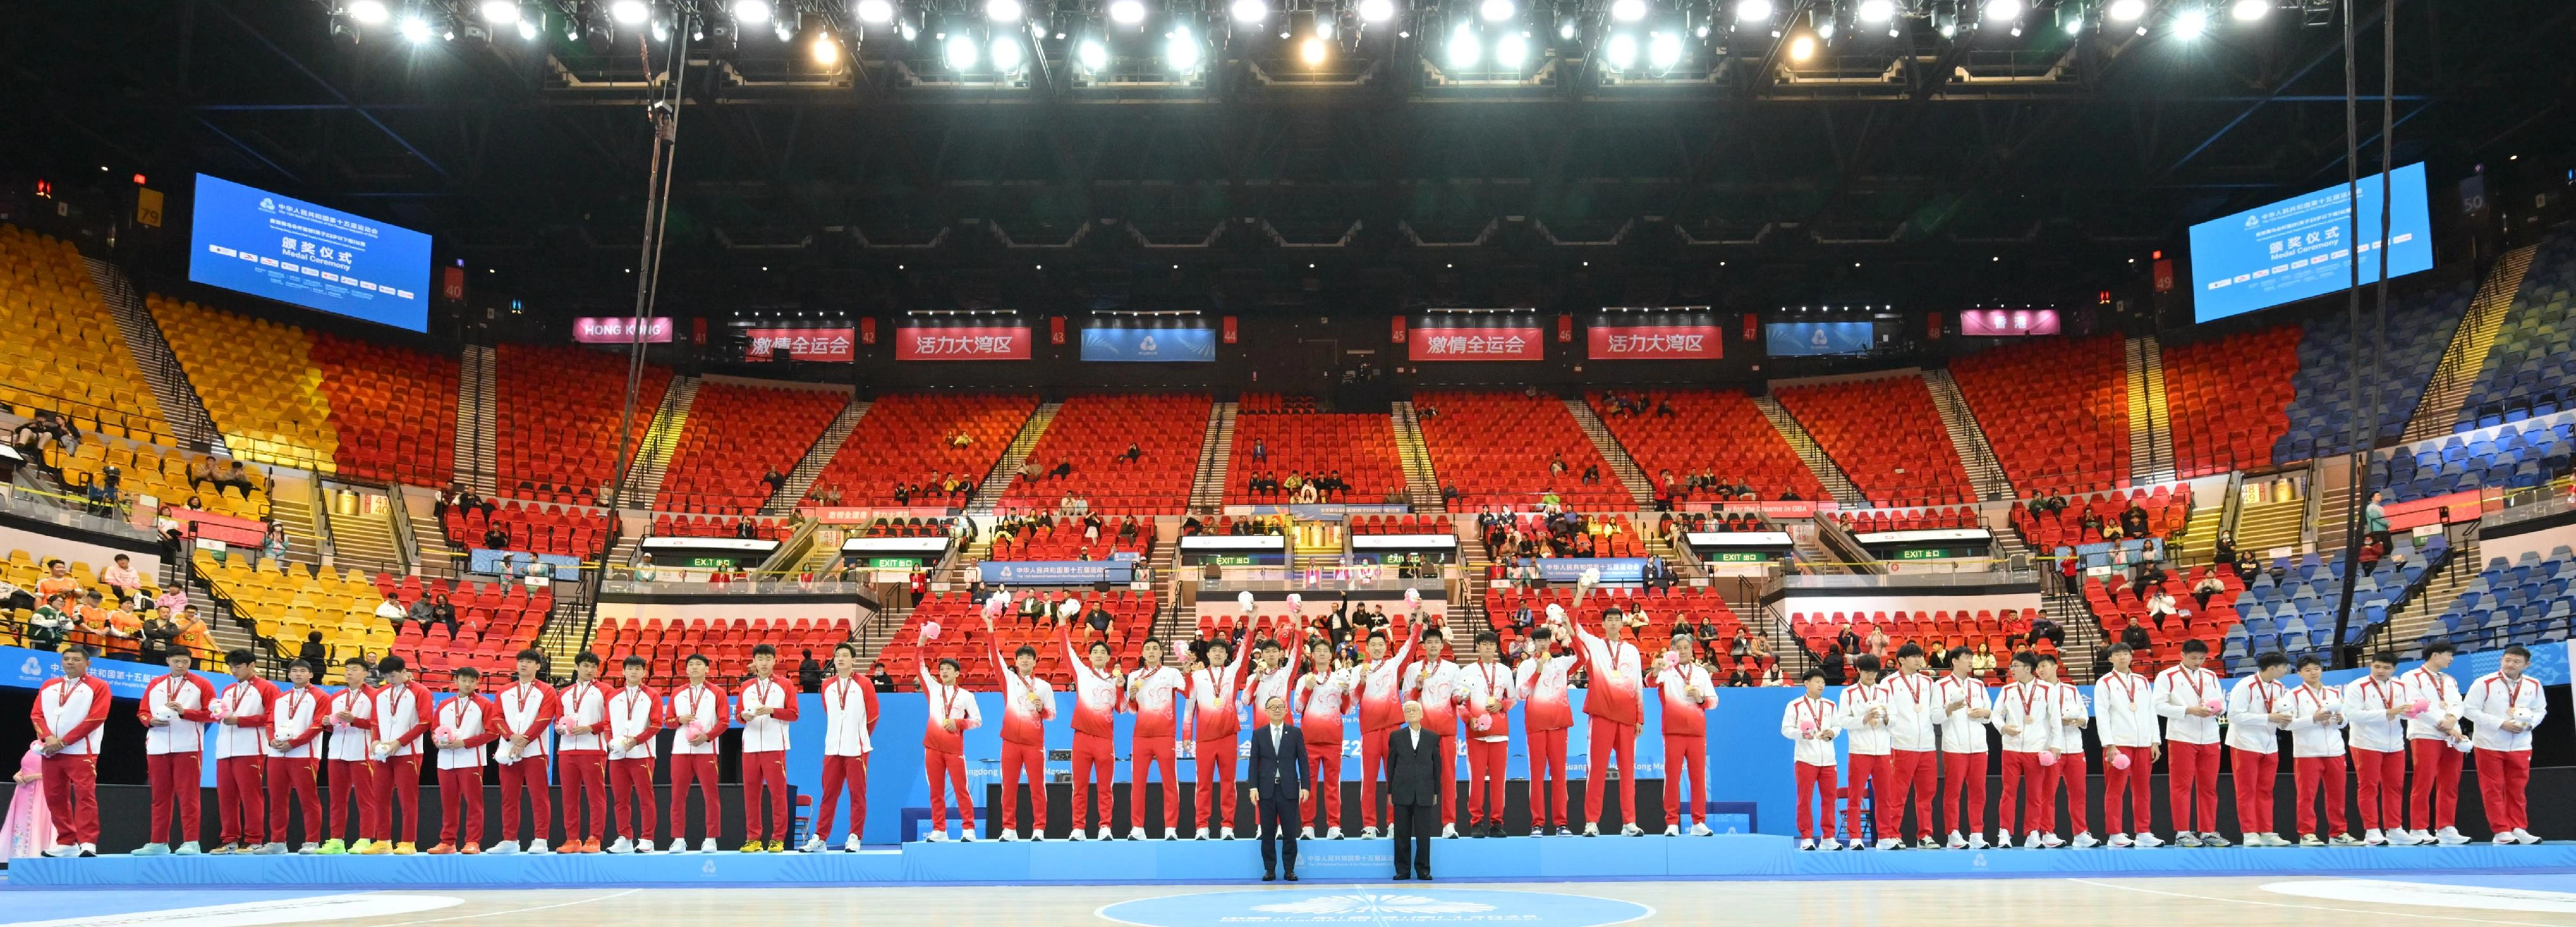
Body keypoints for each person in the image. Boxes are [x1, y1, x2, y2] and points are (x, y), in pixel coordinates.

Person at [1559, 599, 1645, 836]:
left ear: (1622, 623)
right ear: (1604, 624)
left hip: (1627, 719)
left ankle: (1629, 822)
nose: (1614, 623)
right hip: (1602, 716)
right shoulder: (1595, 645)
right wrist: (1581, 594)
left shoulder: (1632, 651)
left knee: (1628, 771)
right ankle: (1591, 822)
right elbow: (1574, 624)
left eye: (1617, 619)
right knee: (1596, 770)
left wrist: (1640, 717)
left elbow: (1638, 684)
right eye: (1609, 620)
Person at [133, 649, 216, 855]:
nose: (181, 666)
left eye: (186, 662)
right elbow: (142, 711)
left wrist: (185, 712)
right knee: (159, 797)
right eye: (177, 661)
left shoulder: (202, 684)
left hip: (188, 747)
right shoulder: (155, 684)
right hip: (157, 746)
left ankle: (191, 842)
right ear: (168, 660)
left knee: (188, 796)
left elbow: (212, 715)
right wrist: (150, 721)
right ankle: (158, 842)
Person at [30, 649, 111, 857]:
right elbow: (37, 715)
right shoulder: (49, 686)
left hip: (82, 751)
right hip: (51, 751)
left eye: (76, 659)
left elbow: (96, 718)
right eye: (66, 659)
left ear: (88, 664)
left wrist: (64, 742)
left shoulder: (98, 686)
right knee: (54, 797)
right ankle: (66, 841)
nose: (70, 663)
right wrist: (48, 738)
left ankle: (88, 842)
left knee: (85, 796)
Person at [2463, 644, 2546, 845]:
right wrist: (2501, 724)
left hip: (2521, 744)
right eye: (2507, 660)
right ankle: (2501, 831)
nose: (2510, 664)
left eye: (2516, 661)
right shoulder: (2485, 683)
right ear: (2501, 660)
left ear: (2527, 665)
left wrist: (2529, 725)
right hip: (2489, 744)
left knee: (2517, 789)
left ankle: (2518, 828)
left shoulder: (2534, 684)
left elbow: (2541, 709)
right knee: (2493, 788)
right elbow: (2469, 710)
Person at [981, 622, 1056, 842]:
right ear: (1016, 662)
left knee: (1037, 788)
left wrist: (1042, 708)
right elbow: (995, 657)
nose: (1025, 660)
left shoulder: (1044, 686)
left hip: (1034, 744)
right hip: (1011, 742)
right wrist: (990, 629)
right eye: (1021, 657)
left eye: (1029, 657)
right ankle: (1009, 829)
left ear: (1035, 662)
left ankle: (1039, 829)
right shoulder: (1009, 680)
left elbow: (1052, 715)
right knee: (1009, 787)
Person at [2152, 638, 2227, 846]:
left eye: (2202, 658)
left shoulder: (2211, 676)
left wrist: (2220, 709)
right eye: (2193, 658)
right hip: (2182, 736)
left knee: (2209, 787)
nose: (2198, 662)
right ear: (2182, 655)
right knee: (2181, 787)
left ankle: (2208, 831)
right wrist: (2188, 710)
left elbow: (2221, 702)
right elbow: (2158, 706)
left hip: (2210, 736)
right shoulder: (2167, 676)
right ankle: (2183, 833)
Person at [1352, 624, 1423, 839]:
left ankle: (1394, 823)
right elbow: (1353, 701)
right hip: (1370, 731)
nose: (1377, 648)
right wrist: (1362, 684)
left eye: (1380, 644)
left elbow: (1411, 646)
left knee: (1395, 779)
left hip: (1393, 730)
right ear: (1366, 648)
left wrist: (1418, 619)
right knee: (1370, 780)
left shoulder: (1393, 665)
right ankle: (1369, 825)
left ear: (1386, 646)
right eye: (1372, 644)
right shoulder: (1358, 670)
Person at [808, 643, 880, 852]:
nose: (840, 659)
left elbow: (873, 715)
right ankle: (821, 838)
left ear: (853, 660)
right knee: (828, 795)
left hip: (857, 750)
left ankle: (855, 837)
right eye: (837, 656)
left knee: (857, 795)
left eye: (845, 656)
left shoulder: (864, 684)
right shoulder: (827, 685)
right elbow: (830, 713)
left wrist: (859, 736)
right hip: (832, 749)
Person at [1054, 626, 1122, 842]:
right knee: (1080, 787)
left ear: (1109, 657)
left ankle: (1105, 827)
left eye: (1103, 652)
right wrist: (1062, 624)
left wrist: (1121, 687)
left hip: (1104, 740)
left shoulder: (1115, 679)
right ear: (1090, 656)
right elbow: (1066, 651)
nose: (1099, 655)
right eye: (1095, 652)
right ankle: (1078, 828)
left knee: (1105, 788)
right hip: (1082, 738)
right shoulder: (1081, 672)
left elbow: (1121, 708)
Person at [2282, 655, 2357, 846]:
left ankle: (2338, 833)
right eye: (2307, 670)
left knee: (2338, 795)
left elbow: (2346, 719)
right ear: (2299, 673)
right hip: (2308, 752)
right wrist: (2313, 719)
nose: (2313, 673)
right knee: (2307, 796)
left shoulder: (2333, 692)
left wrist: (2341, 720)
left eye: (2316, 669)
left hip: (2335, 750)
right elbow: (2286, 725)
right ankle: (2307, 833)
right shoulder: (2294, 695)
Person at [1185, 634, 1255, 839]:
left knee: (1228, 783)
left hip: (1228, 736)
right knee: (1203, 784)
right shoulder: (1197, 677)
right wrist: (1187, 734)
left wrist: (1251, 623)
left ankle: (1227, 826)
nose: (1217, 653)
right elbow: (1189, 707)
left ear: (1226, 655)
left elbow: (1245, 652)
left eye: (1222, 651)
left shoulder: (1233, 673)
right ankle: (1201, 826)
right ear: (1207, 654)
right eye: (1214, 650)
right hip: (1205, 738)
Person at [359, 656, 432, 854]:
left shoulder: (420, 691)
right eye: (386, 676)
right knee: (380, 797)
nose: (389, 680)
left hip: (408, 752)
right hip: (383, 753)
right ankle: (383, 840)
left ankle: (408, 842)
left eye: (392, 675)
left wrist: (399, 742)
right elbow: (375, 721)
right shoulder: (381, 693)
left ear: (403, 671)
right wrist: (375, 740)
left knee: (407, 799)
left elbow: (425, 722)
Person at [488, 649, 558, 855]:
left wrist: (524, 739)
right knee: (509, 797)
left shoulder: (547, 691)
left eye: (529, 662)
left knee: (539, 796)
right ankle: (509, 839)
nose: (524, 665)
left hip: (536, 750)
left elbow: (545, 719)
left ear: (538, 666)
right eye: (521, 662)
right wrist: (511, 737)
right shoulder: (504, 691)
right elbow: (497, 718)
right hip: (509, 750)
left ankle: (541, 839)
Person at [2402, 641, 2472, 846]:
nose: (2451, 659)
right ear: (2435, 655)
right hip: (2425, 733)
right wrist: (2446, 724)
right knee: (2423, 783)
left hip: (2452, 736)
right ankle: (2418, 828)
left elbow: (2459, 703)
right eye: (2448, 655)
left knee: (2450, 783)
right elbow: (2417, 705)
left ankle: (2445, 827)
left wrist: (2452, 718)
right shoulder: (2411, 677)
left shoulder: (2450, 679)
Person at [1653, 629, 1721, 837]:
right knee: (1672, 777)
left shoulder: (1701, 673)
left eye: (1686, 648)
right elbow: (1650, 681)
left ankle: (1698, 822)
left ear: (1692, 650)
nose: (1682, 651)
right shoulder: (1667, 670)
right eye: (1678, 648)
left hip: (1696, 733)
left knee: (1698, 778)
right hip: (1673, 732)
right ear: (1672, 650)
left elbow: (1714, 701)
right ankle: (1672, 822)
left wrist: (1700, 698)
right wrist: (1657, 668)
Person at [915, 632, 981, 842]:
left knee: (961, 790)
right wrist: (921, 644)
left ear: (957, 673)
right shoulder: (933, 689)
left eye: (948, 669)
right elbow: (919, 668)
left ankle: (969, 829)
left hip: (954, 750)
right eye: (941, 669)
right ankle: (939, 830)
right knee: (936, 792)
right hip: (932, 748)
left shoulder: (966, 696)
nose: (943, 672)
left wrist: (959, 723)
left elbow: (978, 720)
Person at [2094, 643, 2161, 848]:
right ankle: (2115, 834)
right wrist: (2109, 744)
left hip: (2143, 744)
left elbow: (2151, 712)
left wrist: (2155, 741)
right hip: (2119, 745)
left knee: (2143, 790)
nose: (2122, 657)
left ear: (2132, 656)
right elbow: (2102, 715)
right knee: (2115, 790)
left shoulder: (2142, 681)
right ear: (2111, 659)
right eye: (2117, 655)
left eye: (2125, 653)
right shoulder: (2104, 682)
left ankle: (2143, 832)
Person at [210, 650, 278, 854]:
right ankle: (229, 839)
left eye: (238, 667)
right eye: (231, 667)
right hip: (224, 749)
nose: (234, 671)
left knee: (251, 796)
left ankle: (254, 838)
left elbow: (272, 717)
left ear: (252, 665)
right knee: (226, 796)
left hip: (250, 748)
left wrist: (241, 721)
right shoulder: (228, 690)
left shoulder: (267, 688)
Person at [2224, 652, 2294, 846]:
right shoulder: (2245, 685)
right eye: (2283, 667)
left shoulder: (2280, 687)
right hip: (2245, 743)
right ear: (2273, 668)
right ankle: (2249, 832)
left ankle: (2267, 831)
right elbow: (2234, 716)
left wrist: (2285, 720)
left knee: (2266, 790)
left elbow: (2281, 716)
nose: (2286, 670)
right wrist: (2268, 718)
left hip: (2270, 743)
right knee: (2247, 790)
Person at [1398, 629, 1463, 837]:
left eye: (1437, 642)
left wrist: (1460, 698)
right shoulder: (1413, 669)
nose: (1433, 646)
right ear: (1423, 646)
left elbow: (1457, 697)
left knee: (1448, 778)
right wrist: (1417, 688)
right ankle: (1419, 826)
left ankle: (1449, 823)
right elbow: (1406, 701)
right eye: (1430, 642)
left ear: (1442, 645)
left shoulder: (1453, 669)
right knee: (1420, 779)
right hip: (1421, 735)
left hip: (1446, 732)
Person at [426, 667, 497, 854]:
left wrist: (464, 743)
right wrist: (436, 741)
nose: (467, 684)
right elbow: (434, 730)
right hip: (446, 760)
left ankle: (473, 841)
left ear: (477, 683)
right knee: (448, 803)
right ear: (455, 681)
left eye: (472, 681)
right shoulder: (444, 705)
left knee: (474, 803)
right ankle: (447, 842)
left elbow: (492, 733)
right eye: (464, 680)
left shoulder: (484, 704)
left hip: (471, 760)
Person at [2342, 652, 2410, 845]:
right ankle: (2372, 830)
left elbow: (2404, 714)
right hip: (2366, 743)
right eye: (2377, 666)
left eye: (2386, 668)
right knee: (2369, 787)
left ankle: (2394, 828)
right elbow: (2352, 715)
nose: (2381, 671)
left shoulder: (2400, 687)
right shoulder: (2358, 686)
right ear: (2371, 665)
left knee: (2395, 787)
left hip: (2395, 743)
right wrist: (2387, 713)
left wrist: (2413, 712)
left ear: (2394, 670)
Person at [258, 660, 326, 854]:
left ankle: (312, 841)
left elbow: (318, 725)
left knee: (308, 799)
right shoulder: (281, 698)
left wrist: (294, 743)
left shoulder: (319, 696)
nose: (298, 674)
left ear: (311, 675)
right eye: (294, 671)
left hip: (305, 755)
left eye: (303, 671)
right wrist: (271, 740)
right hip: (277, 755)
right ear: (289, 675)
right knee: (277, 799)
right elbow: (270, 722)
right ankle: (278, 841)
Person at [1122, 637, 1186, 839]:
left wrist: (1188, 666)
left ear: (1161, 653)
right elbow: (1132, 710)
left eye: (1155, 649)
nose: (1151, 652)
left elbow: (1187, 691)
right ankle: (1138, 828)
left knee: (1169, 782)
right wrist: (1131, 697)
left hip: (1165, 735)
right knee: (1138, 783)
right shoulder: (1133, 676)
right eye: (1147, 648)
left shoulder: (1171, 673)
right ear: (1142, 653)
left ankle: (1171, 828)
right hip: (1141, 736)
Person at [665, 653, 728, 852]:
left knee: (711, 796)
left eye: (699, 664)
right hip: (681, 751)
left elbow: (725, 721)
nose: (694, 667)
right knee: (677, 796)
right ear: (686, 670)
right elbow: (668, 722)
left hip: (707, 750)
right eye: (690, 664)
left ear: (707, 669)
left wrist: (707, 737)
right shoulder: (678, 693)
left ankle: (711, 839)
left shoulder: (717, 692)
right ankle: (678, 839)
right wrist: (679, 720)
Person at [1992, 653, 2056, 849]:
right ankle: (2004, 833)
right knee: (2008, 792)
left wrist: (2055, 746)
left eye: (2015, 666)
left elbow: (2054, 720)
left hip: (2036, 750)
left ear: (2028, 668)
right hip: (2011, 748)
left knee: (2035, 794)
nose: (2011, 669)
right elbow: (1995, 715)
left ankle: (2032, 833)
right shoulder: (2007, 689)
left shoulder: (2047, 689)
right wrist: (2002, 728)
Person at [1456, 632, 1517, 837]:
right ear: (1479, 647)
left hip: (1500, 734)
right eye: (1484, 644)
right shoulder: (1467, 671)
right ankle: (1476, 823)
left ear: (1496, 647)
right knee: (1477, 781)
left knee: (1499, 782)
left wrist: (1502, 704)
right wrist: (1468, 719)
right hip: (1476, 734)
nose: (1489, 648)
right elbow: (1459, 702)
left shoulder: (1505, 671)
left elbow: (1513, 699)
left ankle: (1497, 823)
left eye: (1492, 644)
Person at [1879, 644, 1940, 849]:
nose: (1918, 660)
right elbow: (1885, 712)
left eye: (1920, 656)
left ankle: (1925, 835)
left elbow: (1934, 711)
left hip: (1927, 746)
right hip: (1902, 745)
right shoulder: (1889, 683)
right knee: (1897, 794)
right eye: (1914, 656)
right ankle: (1892, 834)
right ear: (1902, 660)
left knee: (1927, 794)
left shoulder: (1928, 682)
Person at [1294, 640, 1356, 839]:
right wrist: (1307, 689)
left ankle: (1334, 826)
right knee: (1308, 786)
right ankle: (1307, 827)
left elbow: (1346, 710)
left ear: (1331, 656)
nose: (1321, 654)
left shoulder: (1339, 680)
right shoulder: (1305, 679)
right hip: (1309, 741)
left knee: (1332, 786)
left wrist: (1346, 695)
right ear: (1312, 655)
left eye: (1325, 651)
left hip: (1333, 741)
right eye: (1317, 651)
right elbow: (1298, 708)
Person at [314, 655, 374, 855]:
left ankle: (365, 839)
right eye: (347, 669)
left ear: (366, 673)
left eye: (355, 669)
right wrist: (327, 723)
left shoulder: (374, 696)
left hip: (362, 752)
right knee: (337, 799)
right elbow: (332, 726)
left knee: (365, 799)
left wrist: (354, 720)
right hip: (337, 751)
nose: (349, 672)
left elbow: (377, 725)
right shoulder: (337, 696)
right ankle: (336, 840)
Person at [1934, 649, 1992, 849]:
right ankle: (1953, 834)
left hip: (1978, 746)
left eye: (1971, 658)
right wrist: (1949, 709)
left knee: (1979, 792)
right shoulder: (1941, 686)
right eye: (1967, 658)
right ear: (1955, 661)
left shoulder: (1978, 684)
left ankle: (1977, 833)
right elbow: (1934, 717)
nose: (1971, 661)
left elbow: (1989, 712)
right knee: (1953, 792)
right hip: (1954, 746)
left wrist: (1984, 713)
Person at [553, 652, 611, 854]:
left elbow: (610, 720)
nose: (590, 670)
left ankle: (595, 838)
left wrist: (590, 728)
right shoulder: (565, 693)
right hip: (567, 750)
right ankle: (572, 839)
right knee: (569, 797)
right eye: (586, 666)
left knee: (596, 797)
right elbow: (558, 719)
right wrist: (559, 728)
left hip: (594, 749)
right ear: (577, 667)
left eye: (594, 667)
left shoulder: (606, 690)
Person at [2034, 655, 2093, 848]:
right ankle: (2048, 833)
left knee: (2079, 793)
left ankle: (2081, 833)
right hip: (2051, 749)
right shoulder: (2037, 692)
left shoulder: (2071, 689)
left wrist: (2080, 721)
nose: (2040, 670)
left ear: (2055, 667)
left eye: (2043, 666)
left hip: (2075, 748)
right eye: (2038, 668)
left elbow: (2084, 714)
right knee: (2047, 794)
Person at [605, 656, 663, 854]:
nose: (634, 672)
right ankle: (625, 837)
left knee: (645, 798)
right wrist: (611, 742)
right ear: (623, 672)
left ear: (644, 673)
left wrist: (636, 740)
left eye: (638, 669)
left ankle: (647, 838)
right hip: (618, 755)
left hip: (642, 754)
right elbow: (607, 724)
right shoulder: (613, 696)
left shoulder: (652, 695)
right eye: (630, 668)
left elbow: (656, 724)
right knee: (620, 799)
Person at [1249, 696, 1309, 881]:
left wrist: (1305, 786)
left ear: (1286, 711)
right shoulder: (1259, 734)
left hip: (1289, 790)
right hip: (1266, 790)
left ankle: (1289, 870)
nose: (1276, 710)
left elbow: (1303, 761)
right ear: (1266, 712)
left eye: (1280, 707)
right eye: (1272, 707)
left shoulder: (1295, 733)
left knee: (1290, 832)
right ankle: (1270, 870)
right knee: (1267, 832)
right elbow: (1253, 763)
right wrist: (1253, 787)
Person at [1781, 669, 1842, 850]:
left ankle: (1828, 838)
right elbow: (1785, 729)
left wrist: (1834, 733)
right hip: (1805, 759)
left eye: (1823, 681)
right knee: (1805, 800)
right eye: (1817, 681)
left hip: (1829, 760)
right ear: (1806, 684)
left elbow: (1838, 725)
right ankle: (1806, 837)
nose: (1821, 685)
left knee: (1830, 799)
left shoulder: (1831, 705)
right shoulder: (1795, 705)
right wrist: (1801, 735)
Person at [1385, 701, 1444, 880]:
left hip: (1425, 791)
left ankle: (1423, 869)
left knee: (1423, 834)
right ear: (1404, 716)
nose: (1411, 713)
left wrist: (1436, 791)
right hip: (1402, 790)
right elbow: (1391, 765)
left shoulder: (1432, 737)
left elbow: (1437, 767)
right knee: (1401, 834)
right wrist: (1390, 791)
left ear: (1421, 714)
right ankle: (1403, 870)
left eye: (1414, 710)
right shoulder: (1396, 736)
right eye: (1408, 710)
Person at [3, 738, 57, 859]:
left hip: (42, 791)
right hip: (24, 792)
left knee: (38, 821)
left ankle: (37, 854)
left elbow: (56, 773)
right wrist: (16, 776)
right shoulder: (34, 747)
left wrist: (33, 777)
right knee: (21, 822)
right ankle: (18, 855)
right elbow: (24, 768)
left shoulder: (55, 750)